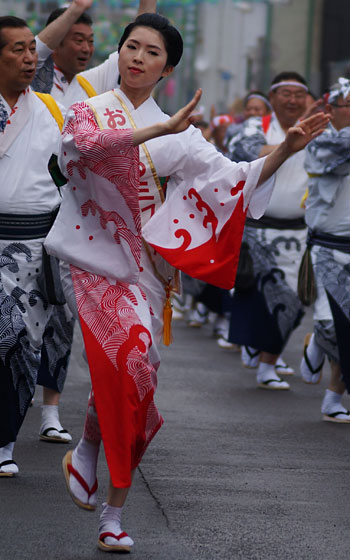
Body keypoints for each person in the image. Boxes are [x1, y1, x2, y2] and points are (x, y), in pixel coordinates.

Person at [44, 14, 328, 551]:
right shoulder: (91, 110)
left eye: (152, 52)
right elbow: (82, 147)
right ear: (120, 52)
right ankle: (112, 515)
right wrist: (157, 131)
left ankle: (93, 458)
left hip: (147, 273)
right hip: (92, 262)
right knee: (124, 360)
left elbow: (234, 178)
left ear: (167, 68)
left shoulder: (183, 136)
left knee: (139, 384)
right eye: (131, 46)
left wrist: (286, 148)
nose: (137, 58)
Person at [31, 0, 157, 444]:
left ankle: (50, 408)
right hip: (23, 218)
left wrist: (147, 10)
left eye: (90, 40)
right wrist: (78, 7)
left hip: (73, 218)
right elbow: (34, 47)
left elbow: (135, 43)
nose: (85, 48)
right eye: (75, 39)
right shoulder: (31, 78)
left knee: (62, 319)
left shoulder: (92, 85)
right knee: (21, 321)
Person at [0, 16, 73, 474]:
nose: (30, 58)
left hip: (35, 247)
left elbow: (70, 174)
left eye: (33, 50)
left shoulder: (50, 108)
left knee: (23, 343)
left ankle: (5, 442)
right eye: (17, 50)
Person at [227, 72, 314, 389]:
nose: (292, 100)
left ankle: (267, 355)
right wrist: (288, 145)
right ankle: (266, 364)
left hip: (300, 230)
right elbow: (241, 150)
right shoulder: (257, 125)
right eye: (285, 93)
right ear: (272, 97)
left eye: (298, 94)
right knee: (261, 297)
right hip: (258, 229)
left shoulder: (317, 125)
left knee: (295, 301)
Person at [301, 77, 350, 422]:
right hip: (328, 247)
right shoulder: (320, 142)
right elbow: (326, 160)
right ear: (331, 110)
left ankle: (334, 396)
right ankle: (318, 338)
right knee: (330, 324)